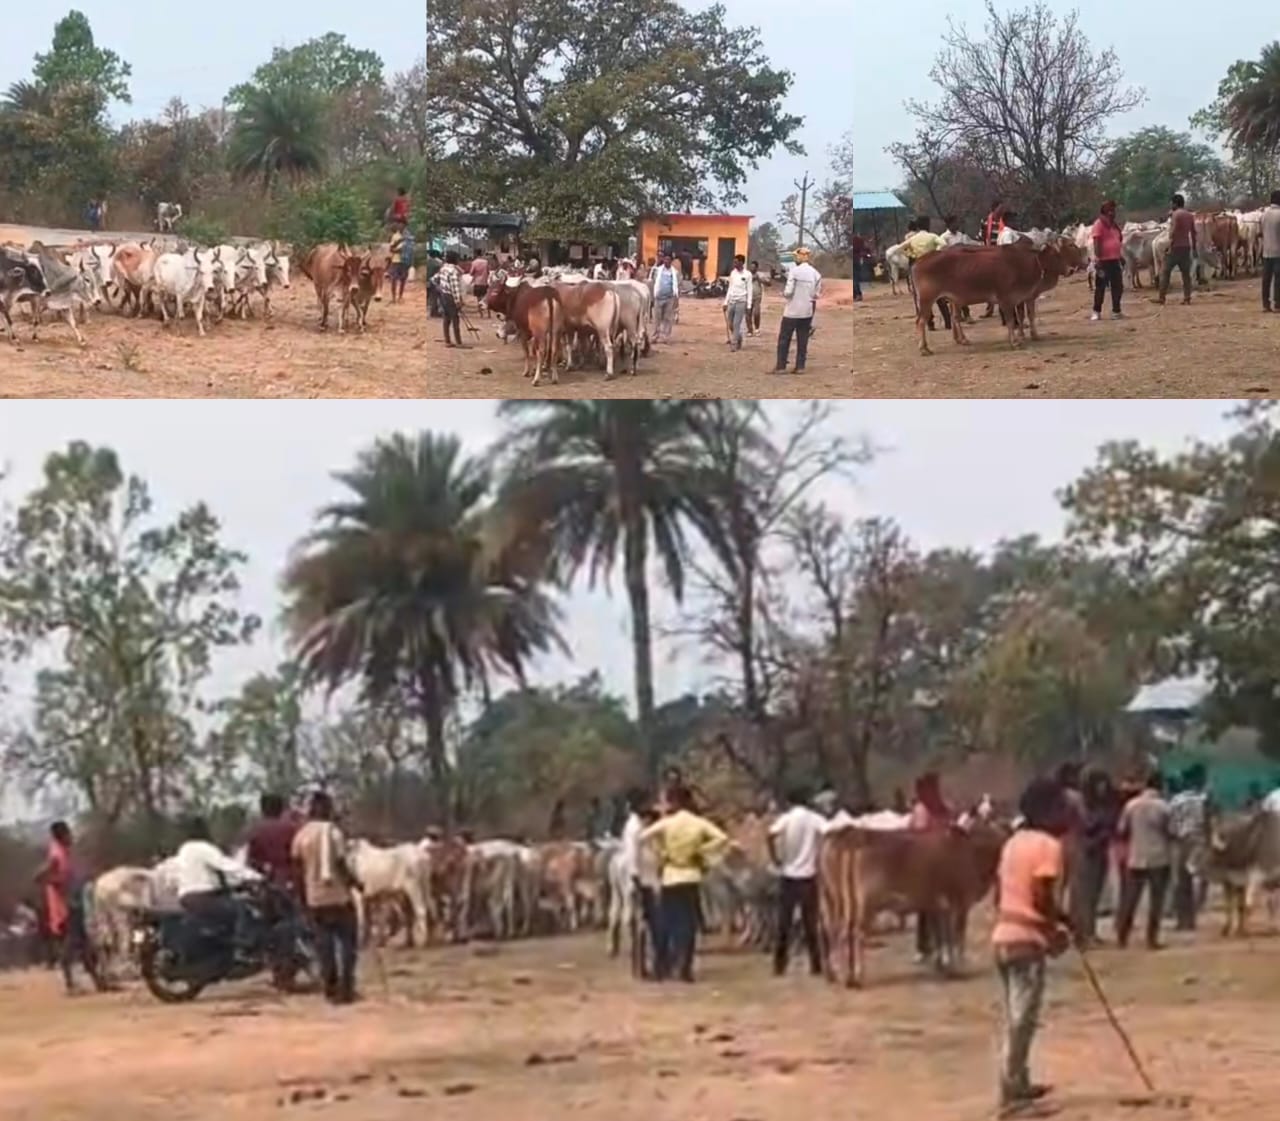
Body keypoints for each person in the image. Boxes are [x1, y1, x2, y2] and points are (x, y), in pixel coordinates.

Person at [990, 777, 1073, 1116]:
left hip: (1003, 935)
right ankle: (1012, 1092)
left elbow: (1002, 893)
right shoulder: (1048, 846)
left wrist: (1061, 919)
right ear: (1049, 810)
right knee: (1023, 1018)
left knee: (1015, 1014)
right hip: (1027, 941)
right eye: (1062, 807)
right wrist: (1054, 930)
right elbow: (1041, 895)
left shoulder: (1013, 843)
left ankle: (1019, 1081)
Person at [640, 785, 727, 981]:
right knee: (688, 924)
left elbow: (643, 837)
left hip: (671, 875)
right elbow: (722, 838)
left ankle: (661, 967)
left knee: (667, 922)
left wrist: (661, 851)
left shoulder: (667, 823)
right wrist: (702, 851)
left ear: (673, 802)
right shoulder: (698, 823)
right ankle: (685, 969)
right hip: (691, 875)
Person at [292, 790, 362, 1004]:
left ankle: (330, 988)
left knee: (324, 945)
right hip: (338, 896)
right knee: (348, 944)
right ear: (328, 809)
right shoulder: (334, 832)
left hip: (315, 899)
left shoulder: (301, 835)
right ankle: (346, 988)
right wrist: (355, 882)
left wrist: (302, 898)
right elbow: (340, 863)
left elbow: (297, 870)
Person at [34, 822, 107, 995]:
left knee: (84, 944)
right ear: (61, 836)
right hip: (65, 908)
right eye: (68, 834)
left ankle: (98, 982)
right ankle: (70, 985)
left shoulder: (66, 853)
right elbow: (38, 877)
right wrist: (59, 884)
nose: (71, 837)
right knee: (72, 944)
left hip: (75, 903)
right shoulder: (56, 854)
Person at [173, 816, 262, 956]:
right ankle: (242, 950)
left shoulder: (183, 850)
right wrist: (255, 876)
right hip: (203, 897)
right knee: (243, 909)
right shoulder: (203, 847)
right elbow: (226, 865)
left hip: (186, 898)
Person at [767, 788, 826, 977]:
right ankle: (816, 964)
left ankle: (779, 964)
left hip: (789, 874)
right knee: (811, 923)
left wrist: (775, 858)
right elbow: (829, 830)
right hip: (809, 874)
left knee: (784, 923)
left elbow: (770, 834)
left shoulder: (786, 818)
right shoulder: (813, 818)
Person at [1114, 771, 1172, 949]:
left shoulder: (1131, 805)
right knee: (1156, 900)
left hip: (1136, 856)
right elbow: (1171, 831)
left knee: (1131, 898)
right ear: (1161, 786)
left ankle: (1122, 936)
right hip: (1159, 857)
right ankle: (1151, 939)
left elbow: (1121, 829)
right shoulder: (1164, 807)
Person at [909, 772, 952, 962]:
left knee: (931, 909)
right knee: (933, 910)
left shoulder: (926, 809)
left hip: (930, 863)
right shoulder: (938, 808)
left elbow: (916, 833)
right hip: (934, 864)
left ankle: (931, 948)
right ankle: (935, 948)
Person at [619, 788, 662, 977]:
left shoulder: (641, 824)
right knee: (643, 924)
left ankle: (645, 965)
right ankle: (640, 967)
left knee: (647, 924)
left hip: (647, 878)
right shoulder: (634, 828)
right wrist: (635, 878)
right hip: (642, 881)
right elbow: (632, 856)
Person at [1075, 769, 1117, 944]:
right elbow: (1084, 826)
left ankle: (1090, 932)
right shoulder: (1082, 805)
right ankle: (1085, 933)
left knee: (1094, 895)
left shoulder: (1104, 805)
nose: (1103, 787)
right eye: (1099, 783)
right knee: (1087, 895)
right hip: (1087, 853)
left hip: (1100, 852)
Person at [1168, 764, 1211, 931]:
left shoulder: (1176, 800)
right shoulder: (1204, 800)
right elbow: (1209, 822)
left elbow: (1170, 824)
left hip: (1181, 842)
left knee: (1181, 881)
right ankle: (1192, 919)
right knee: (1197, 879)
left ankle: (1182, 920)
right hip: (1199, 841)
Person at [772, 245, 822, 373]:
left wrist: (783, 294)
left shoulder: (794, 272)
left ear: (800, 257)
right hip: (807, 311)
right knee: (803, 339)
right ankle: (800, 366)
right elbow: (816, 295)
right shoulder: (816, 274)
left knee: (784, 338)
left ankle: (781, 366)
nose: (795, 258)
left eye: (796, 256)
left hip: (792, 311)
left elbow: (788, 292)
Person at [245, 792, 301, 896]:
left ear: (262, 809)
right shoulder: (292, 829)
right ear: (280, 808)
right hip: (291, 880)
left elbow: (251, 861)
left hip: (267, 882)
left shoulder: (255, 830)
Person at [899, 218, 949, 331]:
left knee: (923, 296)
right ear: (928, 225)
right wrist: (936, 253)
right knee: (940, 293)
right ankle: (948, 322)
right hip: (933, 265)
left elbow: (901, 248)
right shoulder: (932, 236)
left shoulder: (912, 238)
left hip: (919, 266)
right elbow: (944, 244)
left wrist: (911, 254)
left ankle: (930, 323)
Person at [1155, 194, 1196, 306]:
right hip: (1186, 247)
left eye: (1171, 203)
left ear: (1175, 203)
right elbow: (1193, 233)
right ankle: (1187, 298)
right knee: (1186, 274)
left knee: (1165, 271)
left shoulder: (1175, 215)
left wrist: (1169, 245)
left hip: (1175, 248)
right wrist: (1195, 248)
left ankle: (1162, 297)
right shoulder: (1189, 215)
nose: (1170, 205)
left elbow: (1172, 232)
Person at [1090, 200, 1125, 321]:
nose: (1113, 212)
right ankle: (1096, 311)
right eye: (1110, 209)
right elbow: (1096, 243)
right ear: (1105, 210)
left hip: (1115, 260)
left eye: (1114, 209)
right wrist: (1098, 259)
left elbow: (1117, 240)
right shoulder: (1099, 224)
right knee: (1100, 287)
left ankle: (1116, 311)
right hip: (1103, 261)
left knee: (1118, 287)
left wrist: (1120, 256)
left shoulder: (1113, 225)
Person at [435, 250, 465, 347]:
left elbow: (433, 279)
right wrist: (458, 301)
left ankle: (447, 340)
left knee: (446, 318)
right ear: (455, 259)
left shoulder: (443, 268)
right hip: (451, 296)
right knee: (455, 319)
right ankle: (458, 342)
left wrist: (439, 287)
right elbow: (455, 288)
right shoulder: (453, 271)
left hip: (443, 295)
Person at [723, 254, 753, 351]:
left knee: (737, 324)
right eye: (734, 262)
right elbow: (730, 288)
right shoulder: (733, 273)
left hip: (741, 301)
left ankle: (734, 344)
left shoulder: (748, 274)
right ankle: (739, 338)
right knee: (730, 324)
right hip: (732, 300)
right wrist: (725, 302)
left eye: (736, 262)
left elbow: (750, 290)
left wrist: (749, 305)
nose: (734, 264)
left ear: (742, 262)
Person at [650, 253, 680, 342]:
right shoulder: (658, 270)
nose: (667, 261)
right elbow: (654, 282)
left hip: (669, 298)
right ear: (663, 260)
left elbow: (677, 285)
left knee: (668, 318)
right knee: (657, 318)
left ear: (671, 261)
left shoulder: (674, 272)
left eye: (669, 260)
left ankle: (666, 337)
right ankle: (655, 336)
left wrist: (676, 298)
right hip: (658, 297)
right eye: (665, 259)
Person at [1262, 190, 1280, 312]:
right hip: (1278, 251)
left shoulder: (1264, 214)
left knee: (1266, 279)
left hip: (1266, 251)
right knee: (1278, 278)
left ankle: (1265, 304)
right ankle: (1278, 303)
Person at [470, 252, 491, 318]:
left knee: (479, 299)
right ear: (481, 255)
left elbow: (471, 273)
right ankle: (488, 314)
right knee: (486, 299)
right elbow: (488, 272)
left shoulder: (474, 262)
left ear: (475, 255)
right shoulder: (486, 262)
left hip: (477, 283)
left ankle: (481, 315)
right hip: (484, 283)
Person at [748, 260, 765, 335]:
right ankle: (749, 330)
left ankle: (757, 328)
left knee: (756, 313)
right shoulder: (747, 275)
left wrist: (759, 279)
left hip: (757, 297)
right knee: (748, 313)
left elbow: (769, 283)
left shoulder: (760, 275)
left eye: (754, 267)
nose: (752, 269)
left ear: (757, 268)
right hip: (748, 296)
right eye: (751, 267)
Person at [850, 228, 867, 301]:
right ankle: (857, 294)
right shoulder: (860, 240)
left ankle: (857, 294)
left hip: (853, 260)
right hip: (858, 260)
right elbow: (863, 250)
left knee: (854, 279)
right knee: (856, 278)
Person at [425, 250, 443, 318]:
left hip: (426, 281)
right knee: (434, 298)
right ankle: (433, 312)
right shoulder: (438, 263)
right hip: (433, 282)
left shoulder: (426, 262)